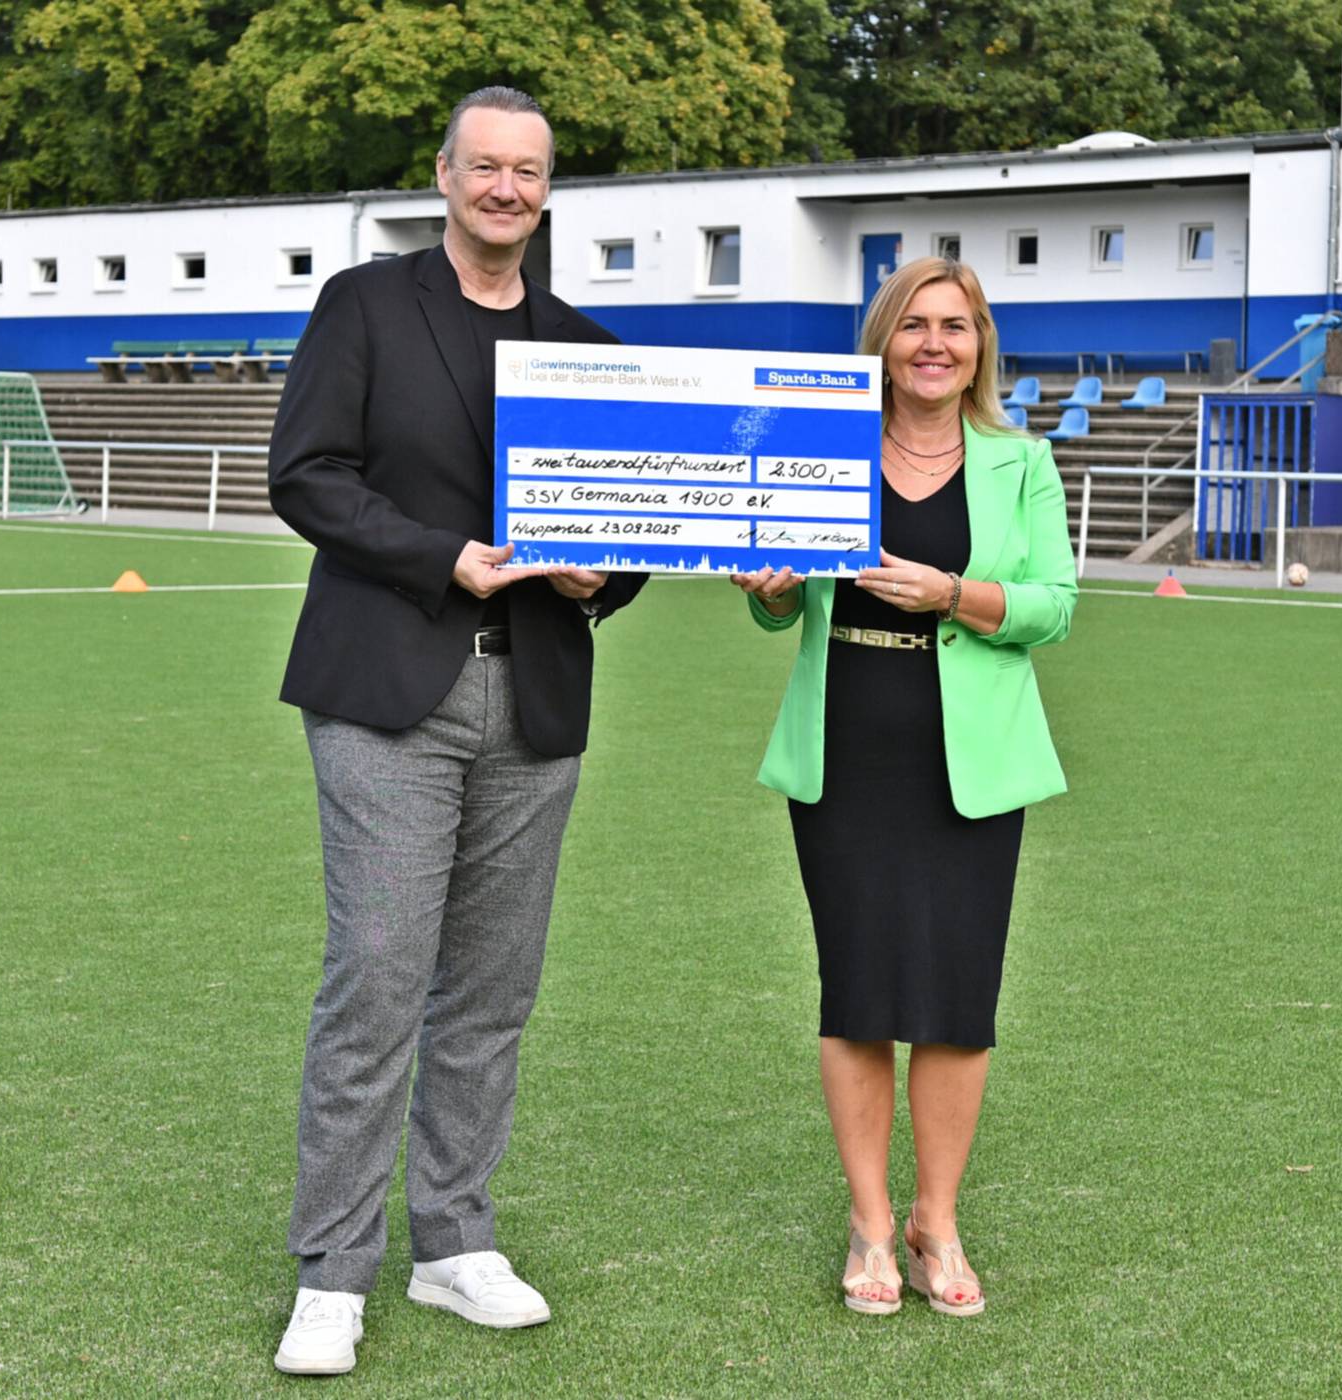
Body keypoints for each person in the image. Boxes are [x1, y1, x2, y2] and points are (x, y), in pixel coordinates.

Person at [266, 86, 645, 1376]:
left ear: (546, 190)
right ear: (443, 176)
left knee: (491, 990)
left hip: (534, 696)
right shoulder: (365, 307)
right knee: (376, 973)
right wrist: (448, 557)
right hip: (389, 691)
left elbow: (626, 531)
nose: (505, 188)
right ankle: (335, 1266)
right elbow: (305, 475)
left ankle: (453, 1240)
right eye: (484, 166)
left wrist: (606, 576)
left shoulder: (589, 344)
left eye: (527, 171)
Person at [732, 256, 1076, 1318]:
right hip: (845, 756)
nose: (936, 343)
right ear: (883, 339)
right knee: (859, 993)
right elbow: (777, 605)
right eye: (915, 324)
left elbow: (1053, 604)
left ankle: (939, 1217)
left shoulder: (1022, 462)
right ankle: (872, 1221)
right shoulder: (820, 448)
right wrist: (771, 590)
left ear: (980, 346)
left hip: (971, 764)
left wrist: (955, 591)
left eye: (957, 326)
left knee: (957, 1005)